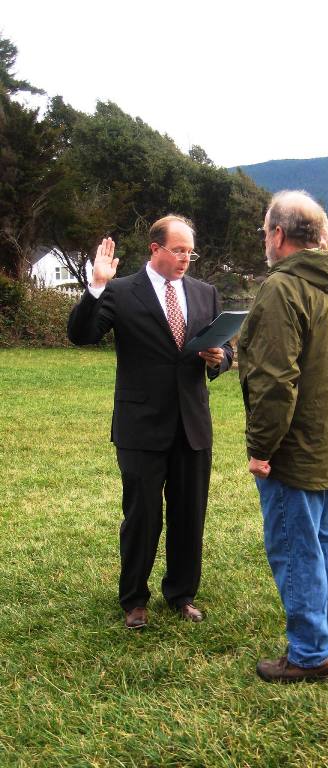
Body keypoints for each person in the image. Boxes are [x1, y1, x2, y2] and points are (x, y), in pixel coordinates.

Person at [237, 190, 328, 682]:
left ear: (278, 234)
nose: (265, 240)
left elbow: (276, 381)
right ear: (320, 236)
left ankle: (309, 652)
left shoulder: (285, 287)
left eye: (265, 232)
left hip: (295, 454)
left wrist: (260, 449)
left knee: (298, 549)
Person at [68, 214, 233, 628]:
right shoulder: (122, 293)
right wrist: (97, 285)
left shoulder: (205, 293)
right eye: (178, 250)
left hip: (192, 424)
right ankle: (134, 601)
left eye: (190, 252)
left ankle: (181, 594)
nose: (185, 259)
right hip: (140, 424)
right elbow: (82, 334)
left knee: (188, 514)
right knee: (142, 515)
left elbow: (225, 350)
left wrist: (220, 358)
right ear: (154, 249)